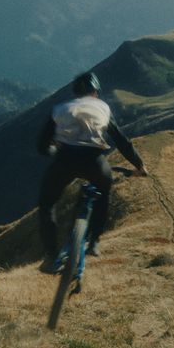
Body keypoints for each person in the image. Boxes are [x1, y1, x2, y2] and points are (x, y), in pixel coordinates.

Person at [36, 71, 147, 273]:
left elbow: (42, 147)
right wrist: (139, 165)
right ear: (96, 91)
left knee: (47, 204)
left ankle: (51, 256)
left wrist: (55, 149)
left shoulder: (59, 109)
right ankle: (94, 242)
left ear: (75, 92)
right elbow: (122, 141)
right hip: (94, 162)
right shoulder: (103, 108)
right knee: (104, 193)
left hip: (64, 161)